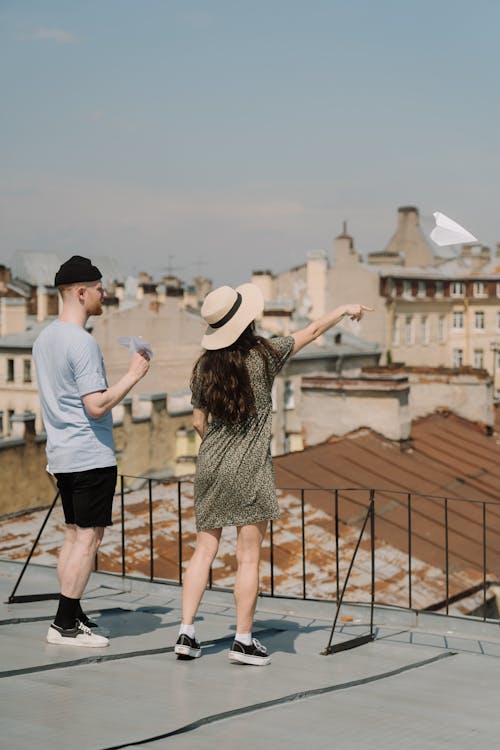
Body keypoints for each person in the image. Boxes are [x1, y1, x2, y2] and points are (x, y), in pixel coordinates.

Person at [175, 283, 371, 665]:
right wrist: (344, 307)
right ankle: (243, 641)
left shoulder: (203, 367)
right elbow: (312, 331)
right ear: (247, 320)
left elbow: (199, 421)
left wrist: (220, 446)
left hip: (211, 464)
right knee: (248, 558)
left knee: (204, 550)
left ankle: (186, 632)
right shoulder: (264, 356)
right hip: (250, 467)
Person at [33, 255, 150, 648]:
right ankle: (64, 623)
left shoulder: (44, 338)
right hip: (89, 454)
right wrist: (133, 375)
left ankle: (74, 611)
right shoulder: (82, 343)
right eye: (99, 288)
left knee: (73, 535)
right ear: (81, 293)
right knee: (88, 539)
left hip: (62, 454)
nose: (104, 294)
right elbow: (96, 405)